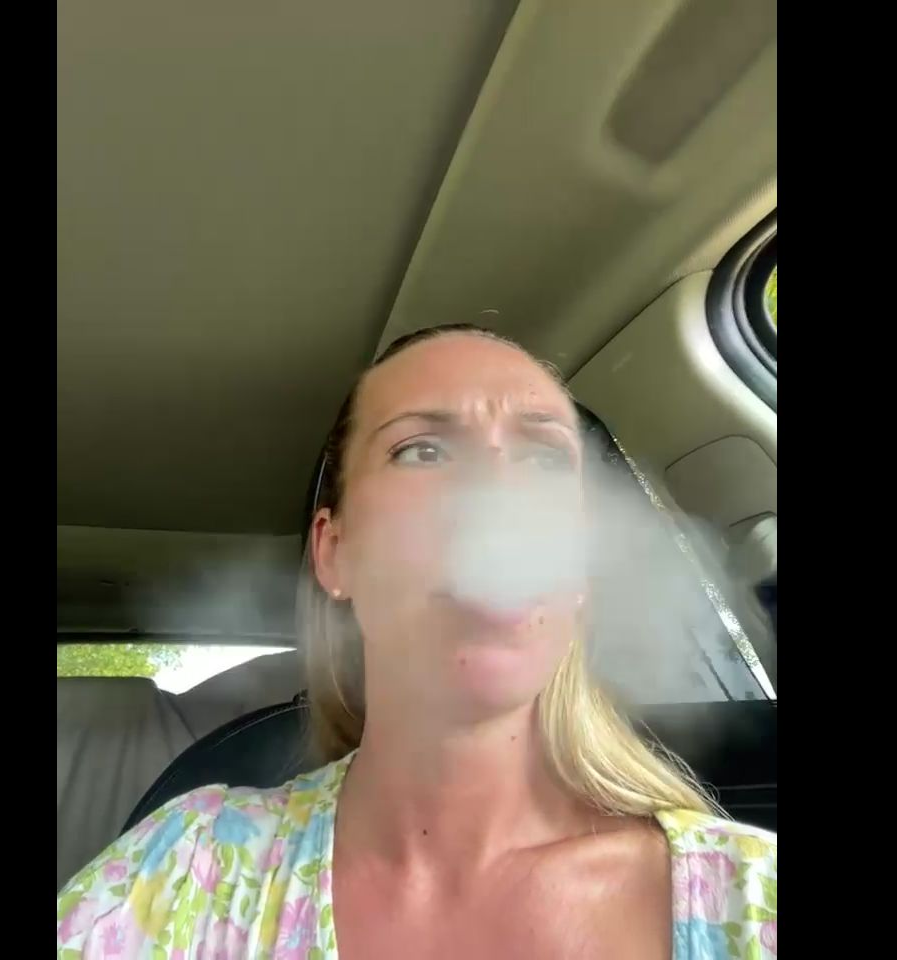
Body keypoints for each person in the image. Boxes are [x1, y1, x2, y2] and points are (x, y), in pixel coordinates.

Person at [57, 325, 776, 959]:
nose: (496, 497)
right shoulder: (185, 875)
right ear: (334, 552)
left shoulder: (751, 899)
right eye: (422, 450)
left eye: (543, 459)